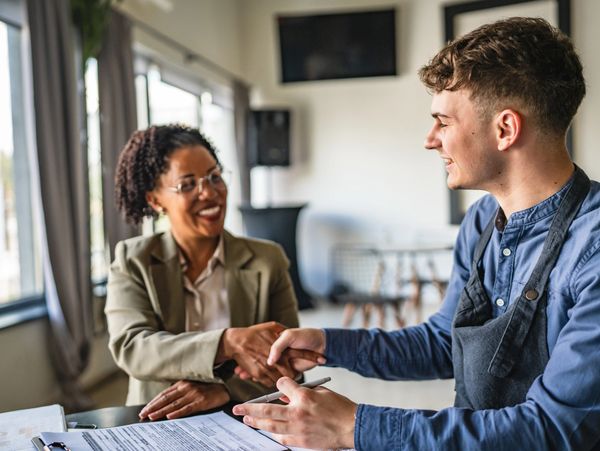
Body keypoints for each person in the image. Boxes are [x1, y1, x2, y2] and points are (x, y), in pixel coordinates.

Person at [232, 17, 600, 450]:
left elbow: (554, 429)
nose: (430, 140)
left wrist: (353, 426)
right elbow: (446, 341)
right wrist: (330, 343)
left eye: (443, 122)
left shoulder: (592, 248)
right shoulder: (482, 221)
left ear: (505, 129)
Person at [106, 124, 306, 421]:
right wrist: (227, 342)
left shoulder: (267, 260)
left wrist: (227, 389)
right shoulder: (133, 260)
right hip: (158, 421)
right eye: (188, 184)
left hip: (243, 421)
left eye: (215, 177)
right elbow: (132, 347)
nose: (210, 193)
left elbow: (289, 364)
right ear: (155, 200)